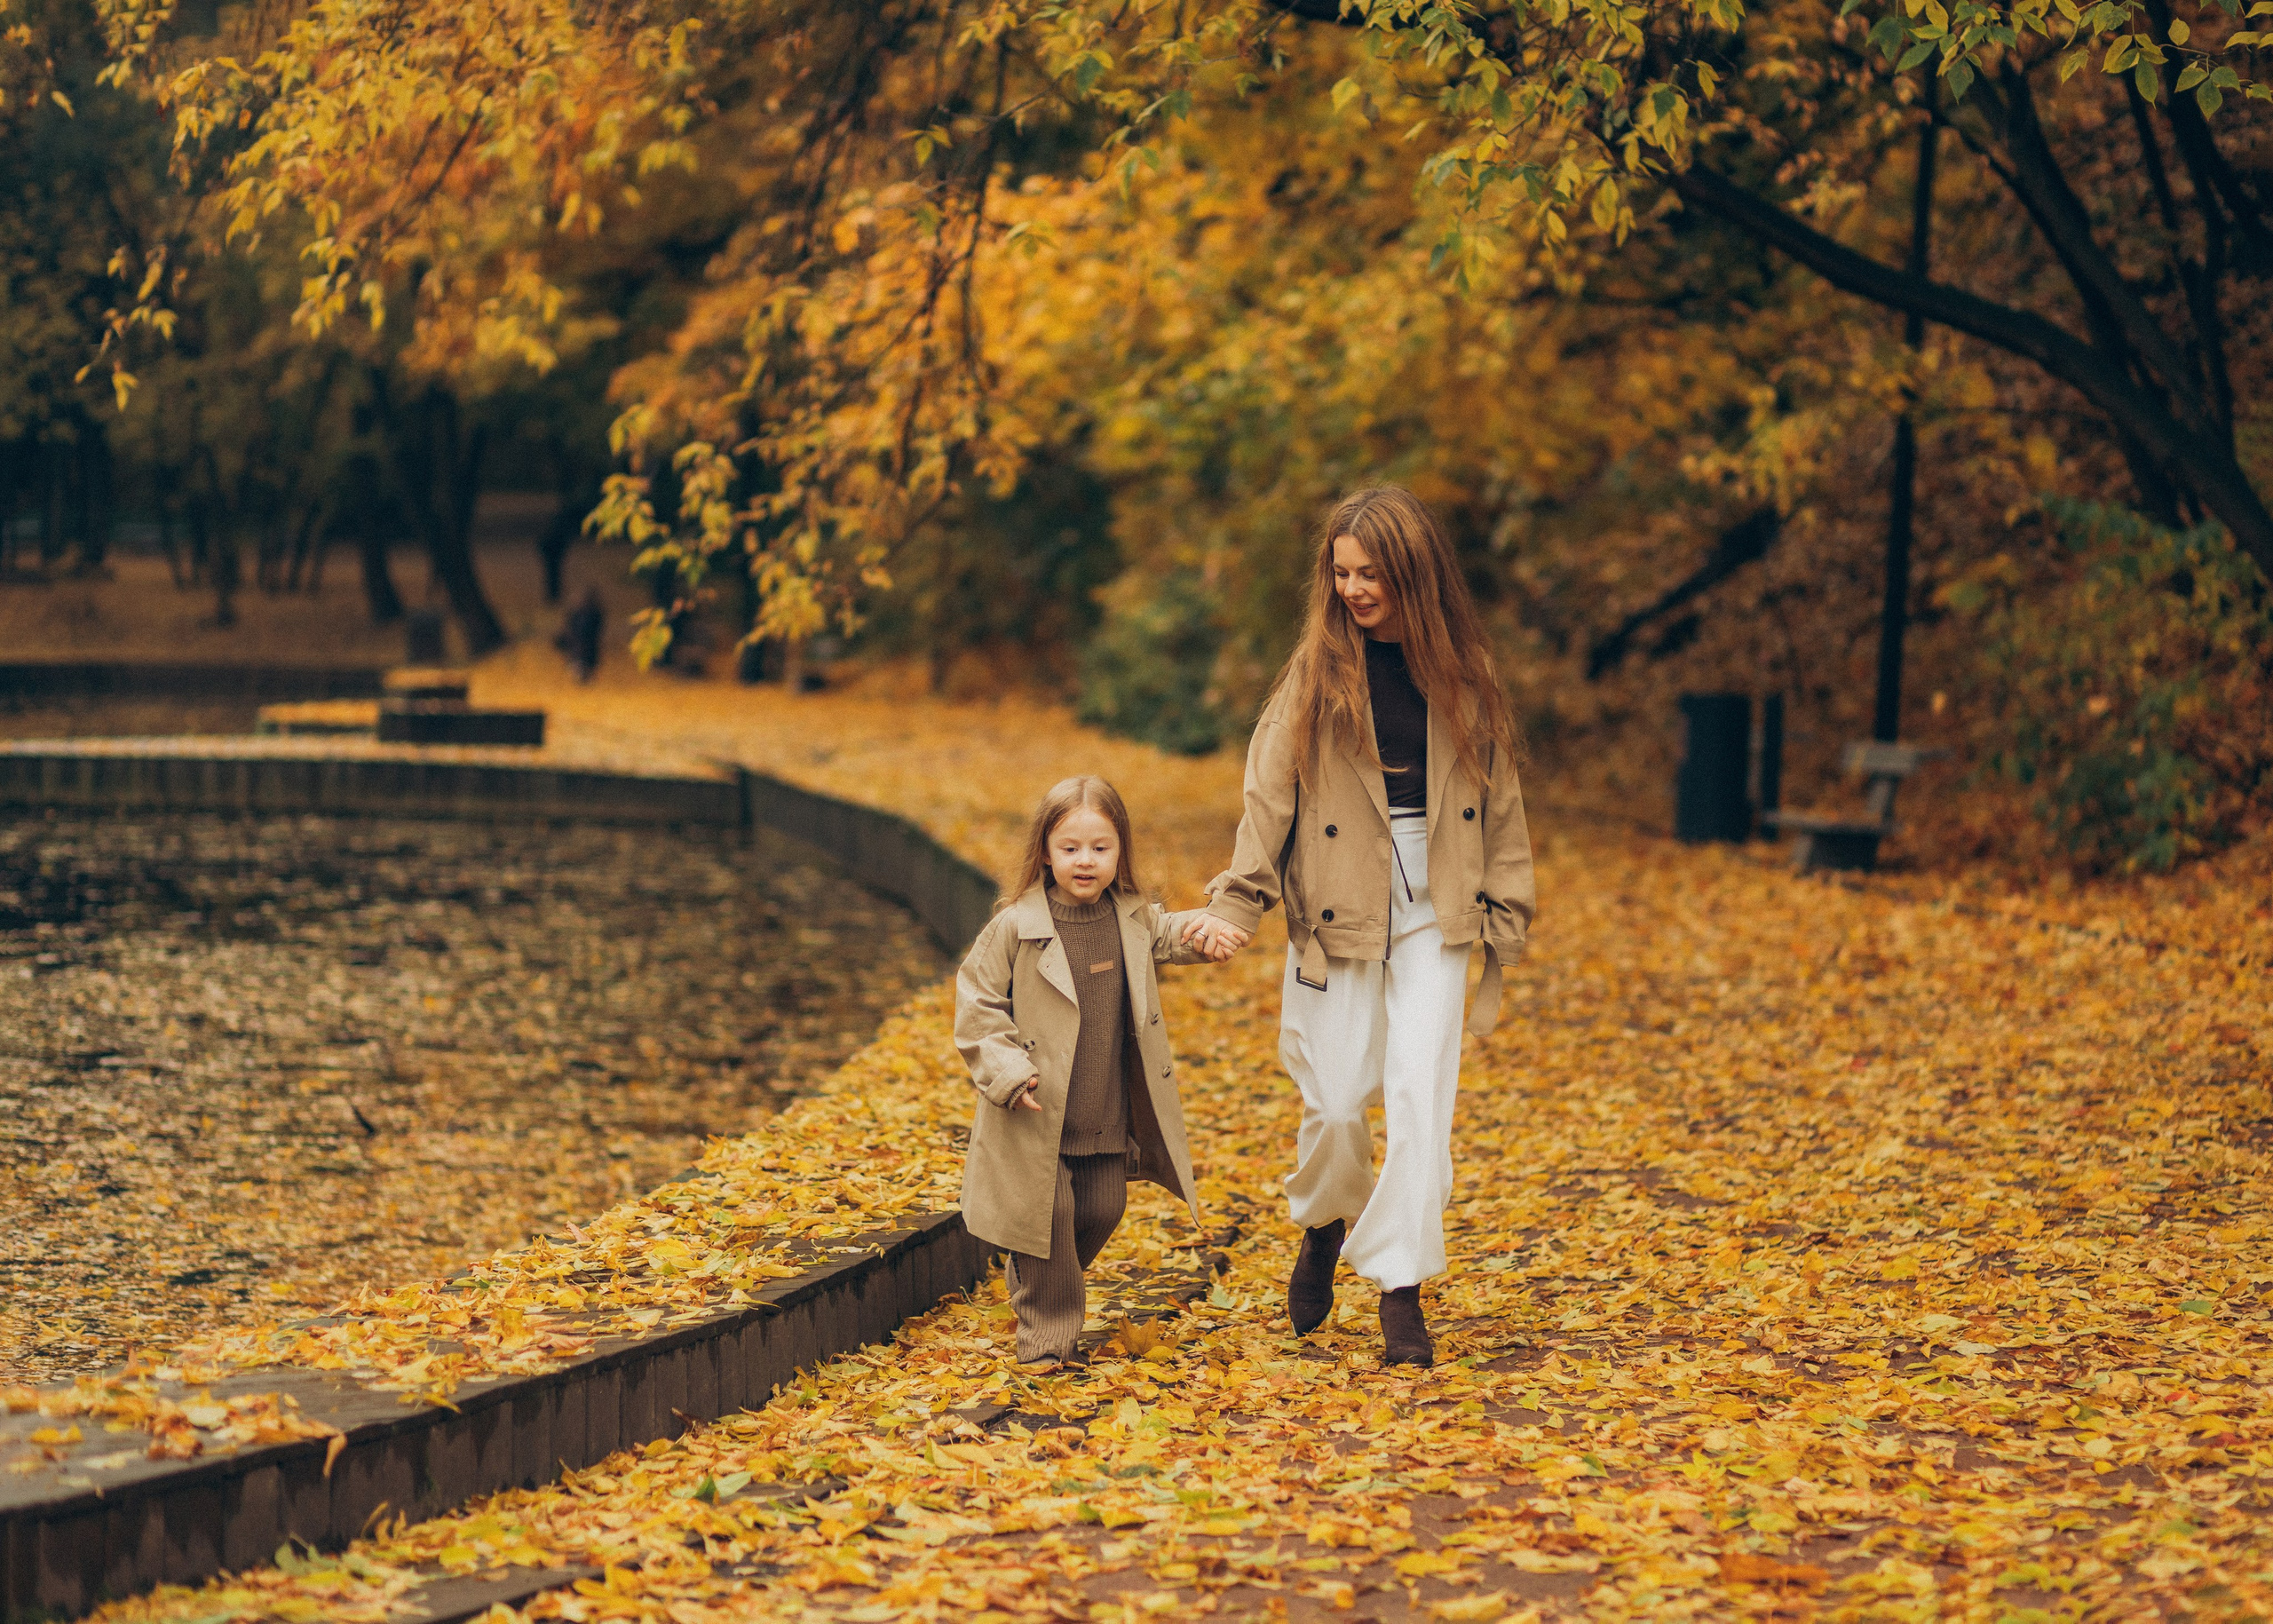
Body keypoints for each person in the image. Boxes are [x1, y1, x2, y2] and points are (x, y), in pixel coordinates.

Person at [1182, 486, 1534, 1367]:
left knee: (1420, 1102)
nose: (1353, 588)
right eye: (1340, 572)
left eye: (1370, 572)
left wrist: (1507, 906)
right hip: (1337, 895)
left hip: (1439, 898)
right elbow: (1268, 797)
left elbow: (1500, 800)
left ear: (1411, 573)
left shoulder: (1465, 670)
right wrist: (1238, 902)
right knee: (1336, 1102)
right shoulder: (1314, 672)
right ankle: (1322, 1225)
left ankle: (1399, 1285)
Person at [954, 776, 1239, 1372]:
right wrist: (1007, 1070)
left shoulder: (1130, 918)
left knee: (1104, 1207)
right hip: (1036, 1110)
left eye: (1100, 848)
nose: (1085, 861)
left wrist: (1210, 927)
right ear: (1046, 852)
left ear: (1120, 852)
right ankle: (1047, 1342)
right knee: (1051, 1216)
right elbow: (977, 1003)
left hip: (1102, 1107)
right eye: (1070, 848)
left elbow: (1174, 933)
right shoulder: (1015, 926)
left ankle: (1037, 1273)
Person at [558, 587, 604, 681]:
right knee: (579, 661)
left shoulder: (591, 613)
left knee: (581, 661)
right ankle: (581, 677)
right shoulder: (582, 613)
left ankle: (582, 677)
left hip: (584, 645)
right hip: (580, 645)